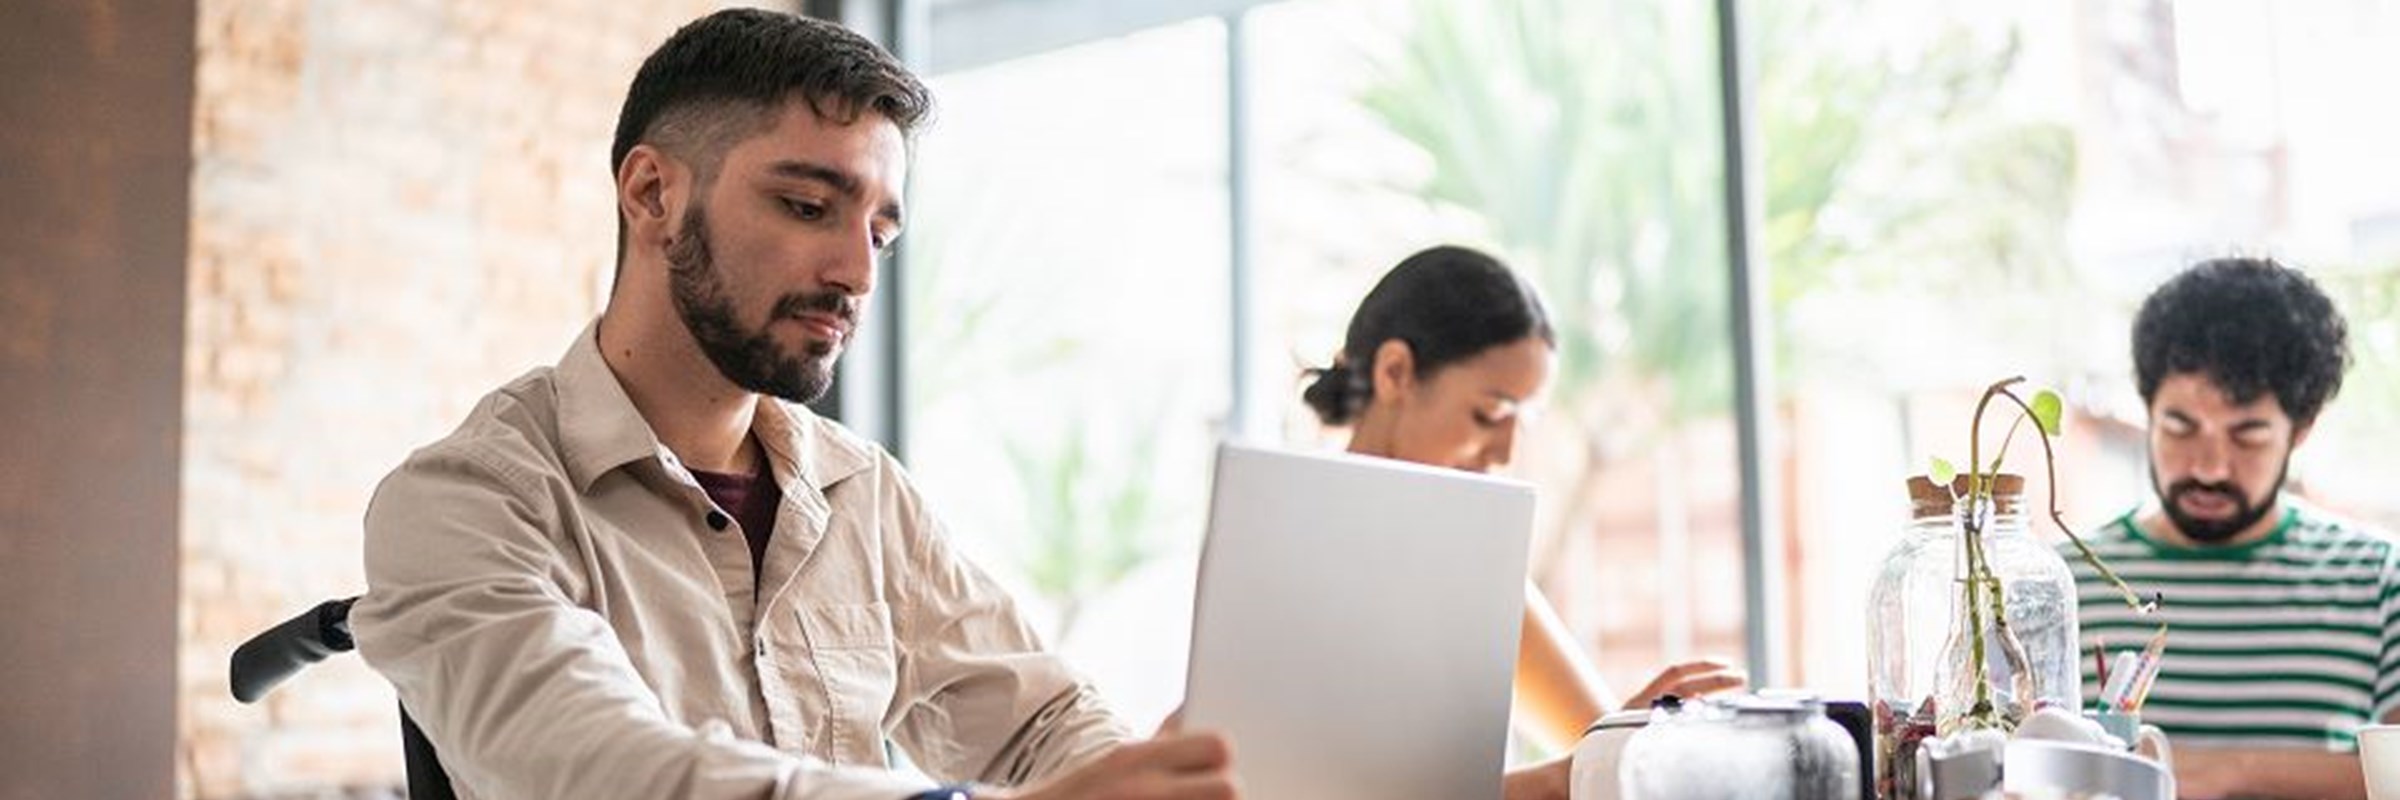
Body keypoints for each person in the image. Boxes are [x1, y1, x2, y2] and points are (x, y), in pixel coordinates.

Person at [349, 10, 1238, 799]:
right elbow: (604, 768)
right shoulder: (467, 504)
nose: (855, 273)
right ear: (653, 194)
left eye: (880, 236)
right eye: (808, 206)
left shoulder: (866, 496)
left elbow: (1041, 724)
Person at [1299, 245, 1748, 799]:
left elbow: (1603, 764)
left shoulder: (1471, 562)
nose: (1505, 450)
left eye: (1522, 421)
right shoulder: (1286, 545)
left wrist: (1632, 739)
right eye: (1489, 414)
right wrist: (1564, 776)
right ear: (1396, 372)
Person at [2065, 256, 2396, 800]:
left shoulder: (2380, 579)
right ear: (2147, 410)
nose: (2209, 467)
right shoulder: (2062, 583)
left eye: (2247, 434)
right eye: (2180, 426)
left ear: (2301, 430)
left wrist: (2218, 772)